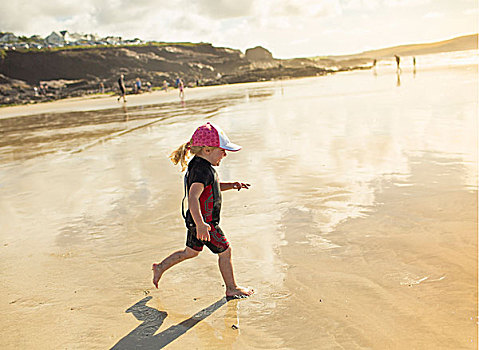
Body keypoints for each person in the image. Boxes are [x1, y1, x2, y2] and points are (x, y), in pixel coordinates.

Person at [152, 122, 255, 299]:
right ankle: (232, 288)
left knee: (190, 252)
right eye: (222, 150)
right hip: (205, 223)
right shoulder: (201, 170)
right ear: (207, 150)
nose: (225, 154)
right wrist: (201, 225)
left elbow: (211, 188)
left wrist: (231, 185)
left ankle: (160, 267)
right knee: (225, 251)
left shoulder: (202, 167)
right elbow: (193, 197)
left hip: (197, 221)